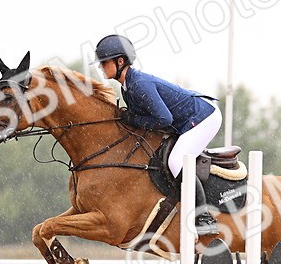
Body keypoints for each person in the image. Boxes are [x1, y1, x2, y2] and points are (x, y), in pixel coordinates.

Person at [94, 34, 222, 236]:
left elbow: (164, 120)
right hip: (187, 119)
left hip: (204, 117)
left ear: (120, 61)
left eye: (104, 62)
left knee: (176, 162)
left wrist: (134, 120)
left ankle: (204, 217)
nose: (101, 66)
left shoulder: (138, 85)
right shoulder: (127, 87)